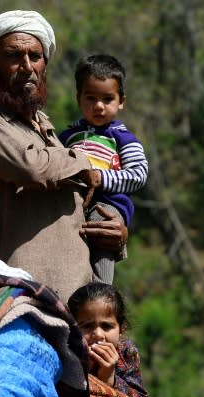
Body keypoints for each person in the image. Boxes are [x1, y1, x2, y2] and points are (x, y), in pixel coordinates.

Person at [0, 10, 128, 301]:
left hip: (78, 304)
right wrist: (83, 162)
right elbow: (31, 166)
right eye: (13, 56)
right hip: (16, 301)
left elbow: (77, 210)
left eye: (35, 56)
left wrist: (116, 236)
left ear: (44, 65)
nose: (26, 66)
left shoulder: (49, 131)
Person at [59, 55, 148, 284]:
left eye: (107, 99)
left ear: (121, 101)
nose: (99, 106)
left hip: (106, 204)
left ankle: (102, 291)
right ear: (79, 98)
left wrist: (100, 178)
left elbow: (138, 174)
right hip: (73, 204)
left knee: (102, 232)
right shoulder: (67, 137)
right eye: (91, 98)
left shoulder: (122, 137)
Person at [67, 282, 148, 397]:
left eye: (106, 326)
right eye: (87, 326)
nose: (98, 334)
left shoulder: (126, 352)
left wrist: (110, 379)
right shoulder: (66, 350)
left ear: (121, 330)